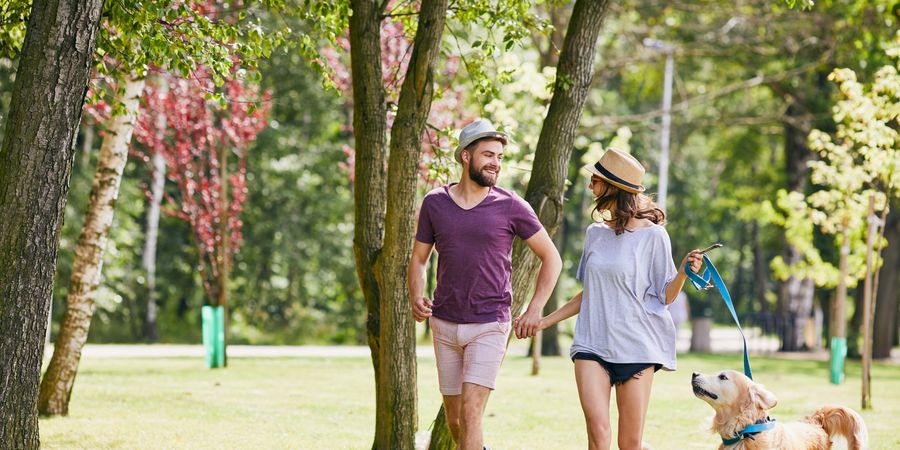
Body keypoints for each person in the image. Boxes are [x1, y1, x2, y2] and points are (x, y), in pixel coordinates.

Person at [520, 148, 702, 450]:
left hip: (637, 348)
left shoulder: (654, 236)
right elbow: (591, 293)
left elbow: (665, 296)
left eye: (596, 180)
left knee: (629, 444)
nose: (591, 185)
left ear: (613, 188)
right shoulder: (594, 234)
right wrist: (544, 321)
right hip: (592, 344)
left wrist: (682, 272)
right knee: (599, 436)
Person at [408, 119, 562, 450]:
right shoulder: (435, 203)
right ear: (466, 156)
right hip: (445, 323)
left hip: (489, 323)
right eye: (488, 154)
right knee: (455, 422)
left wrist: (534, 309)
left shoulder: (511, 205)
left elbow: (552, 258)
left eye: (500, 156)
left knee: (471, 412)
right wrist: (416, 294)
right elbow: (419, 258)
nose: (496, 163)